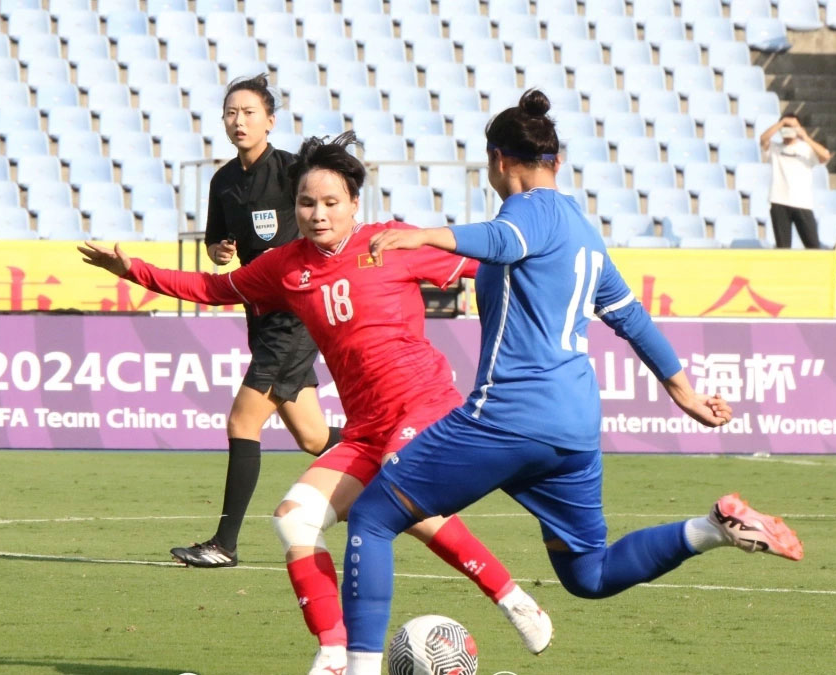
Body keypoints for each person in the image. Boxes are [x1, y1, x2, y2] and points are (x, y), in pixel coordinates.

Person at [340, 90, 804, 675]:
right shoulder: (583, 230)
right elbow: (630, 317)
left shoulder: (529, 208)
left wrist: (425, 234)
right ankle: (712, 529)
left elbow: (504, 240)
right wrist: (684, 394)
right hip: (574, 427)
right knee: (590, 574)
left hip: (510, 416)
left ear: (498, 161)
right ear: (557, 160)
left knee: (374, 516)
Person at [79, 132, 553, 675]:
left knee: (395, 508)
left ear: (355, 203)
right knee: (294, 521)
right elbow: (213, 288)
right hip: (367, 428)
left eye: (331, 203)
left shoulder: (393, 242)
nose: (319, 214)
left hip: (426, 411)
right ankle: (334, 650)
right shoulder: (285, 267)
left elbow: (493, 266)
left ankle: (490, 609)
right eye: (307, 203)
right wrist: (134, 270)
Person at [168, 74, 343, 569]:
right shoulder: (223, 181)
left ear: (270, 119)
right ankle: (395, 456)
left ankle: (224, 544)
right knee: (312, 437)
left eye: (248, 112)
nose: (238, 121)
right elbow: (216, 243)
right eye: (231, 113)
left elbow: (327, 218)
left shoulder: (293, 173)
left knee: (243, 420)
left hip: (294, 316)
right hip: (260, 317)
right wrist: (219, 249)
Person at [760, 113, 832, 249]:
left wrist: (804, 135)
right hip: (779, 201)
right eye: (785, 128)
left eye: (791, 127)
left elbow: (825, 156)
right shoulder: (775, 148)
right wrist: (781, 124)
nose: (788, 130)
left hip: (802, 203)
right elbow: (763, 139)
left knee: (813, 246)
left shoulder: (806, 149)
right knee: (783, 248)